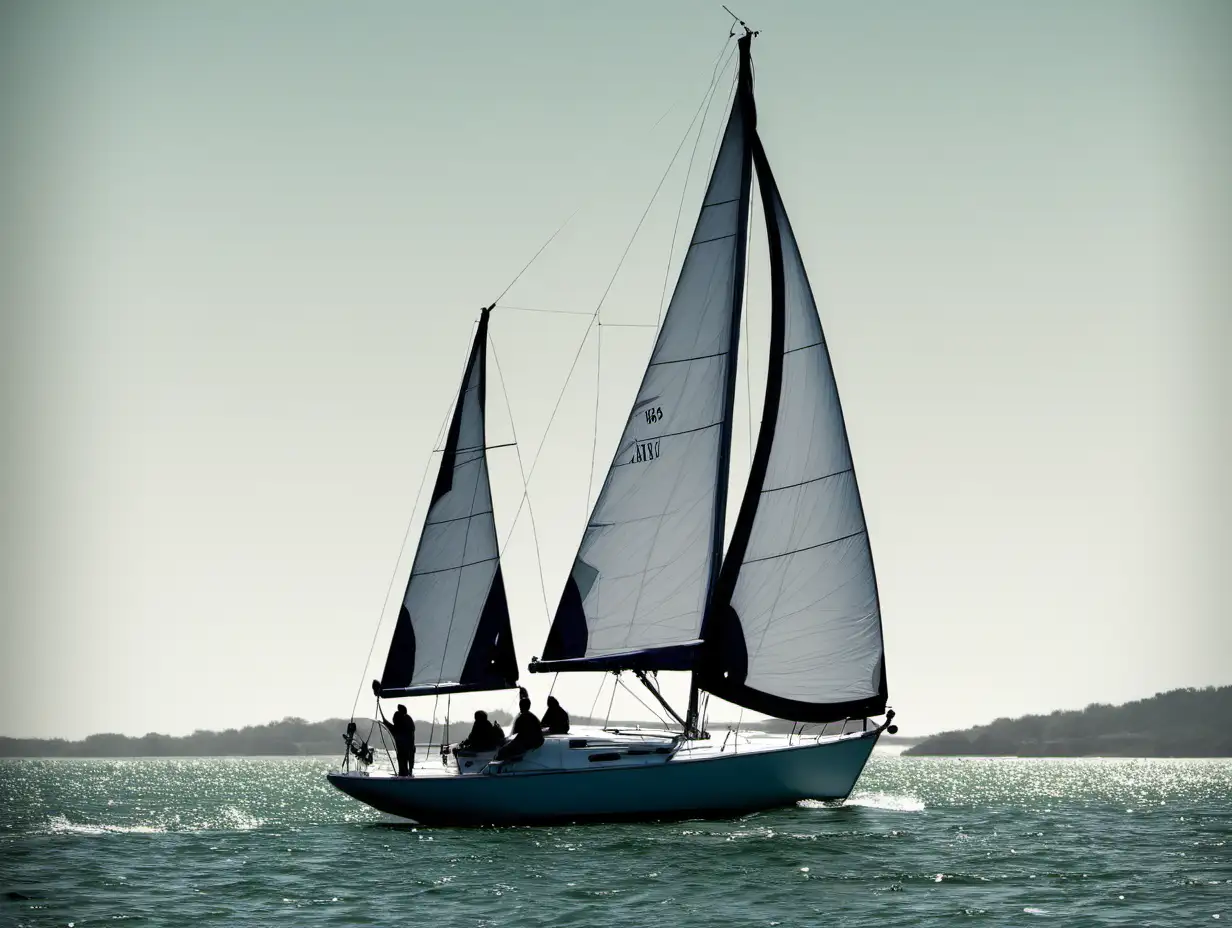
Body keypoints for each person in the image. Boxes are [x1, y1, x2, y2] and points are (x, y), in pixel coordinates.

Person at [494, 688, 544, 761]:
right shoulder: (534, 717)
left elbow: (515, 732)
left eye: (520, 705)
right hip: (536, 742)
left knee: (502, 751)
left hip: (527, 743)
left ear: (521, 706)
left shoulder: (521, 718)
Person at [382, 704, 416, 777]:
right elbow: (395, 729)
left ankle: (404, 775)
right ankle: (409, 773)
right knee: (408, 765)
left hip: (403, 749)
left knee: (403, 768)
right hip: (409, 748)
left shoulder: (402, 720)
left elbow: (394, 729)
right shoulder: (408, 719)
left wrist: (385, 722)